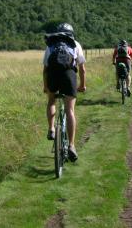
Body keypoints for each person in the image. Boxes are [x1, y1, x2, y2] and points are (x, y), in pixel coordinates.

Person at [43, 23, 86, 162]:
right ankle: (72, 146)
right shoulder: (75, 44)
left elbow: (45, 69)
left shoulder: (51, 44)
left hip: (53, 75)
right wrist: (82, 86)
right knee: (70, 110)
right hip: (68, 75)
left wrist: (46, 87)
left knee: (51, 101)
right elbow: (82, 69)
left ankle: (51, 129)